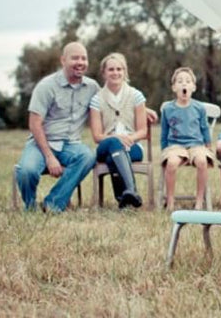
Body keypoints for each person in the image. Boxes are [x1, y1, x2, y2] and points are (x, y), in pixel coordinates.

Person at [15, 42, 99, 212]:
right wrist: (49, 156)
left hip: (70, 145)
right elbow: (34, 123)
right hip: (41, 143)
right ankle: (30, 208)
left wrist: (142, 108)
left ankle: (53, 203)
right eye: (75, 58)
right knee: (27, 171)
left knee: (87, 156)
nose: (80, 62)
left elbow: (111, 101)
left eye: (84, 58)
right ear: (63, 60)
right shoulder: (46, 86)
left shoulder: (92, 87)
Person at [89, 52, 147, 208]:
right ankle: (132, 190)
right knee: (114, 143)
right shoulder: (96, 99)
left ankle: (124, 197)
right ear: (104, 73)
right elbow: (97, 136)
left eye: (119, 69)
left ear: (125, 71)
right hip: (105, 145)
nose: (115, 73)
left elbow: (143, 131)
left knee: (112, 157)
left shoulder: (136, 96)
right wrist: (115, 138)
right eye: (111, 69)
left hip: (132, 145)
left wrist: (130, 138)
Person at [160, 67, 214, 211]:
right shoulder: (168, 109)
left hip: (196, 145)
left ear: (193, 87)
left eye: (188, 81)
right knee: (171, 164)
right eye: (180, 81)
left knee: (202, 162)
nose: (184, 84)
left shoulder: (199, 108)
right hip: (175, 146)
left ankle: (199, 201)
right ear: (174, 87)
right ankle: (170, 201)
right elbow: (164, 132)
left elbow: (204, 128)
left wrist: (208, 146)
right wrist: (164, 150)